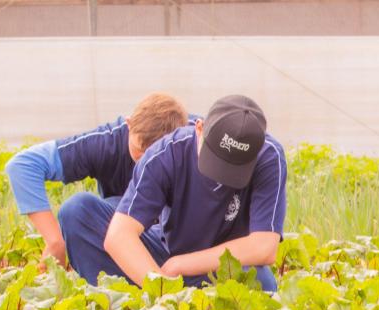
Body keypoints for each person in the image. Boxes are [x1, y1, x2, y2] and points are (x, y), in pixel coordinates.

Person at [56, 94, 285, 292]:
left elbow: (264, 247)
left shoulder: (269, 157)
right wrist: (163, 293)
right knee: (77, 211)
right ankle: (128, 305)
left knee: (260, 282)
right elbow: (119, 235)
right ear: (199, 128)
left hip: (216, 268)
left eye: (232, 169)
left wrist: (182, 264)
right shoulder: (167, 153)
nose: (219, 175)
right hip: (163, 258)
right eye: (213, 160)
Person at [5, 92, 192, 269]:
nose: (147, 162)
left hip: (188, 245)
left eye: (157, 154)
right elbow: (23, 165)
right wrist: (55, 242)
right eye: (139, 151)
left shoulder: (195, 138)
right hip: (129, 243)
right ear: (129, 124)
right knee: (78, 210)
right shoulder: (106, 142)